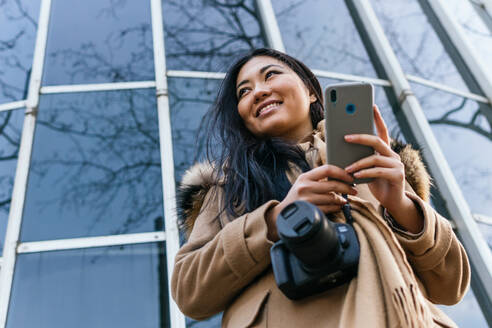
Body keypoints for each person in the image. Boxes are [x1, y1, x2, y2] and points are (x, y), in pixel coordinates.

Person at [172, 48, 470, 327]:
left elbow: (452, 285)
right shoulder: (229, 185)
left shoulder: (378, 162)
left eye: (271, 75)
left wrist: (401, 206)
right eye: (244, 91)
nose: (259, 92)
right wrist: (274, 222)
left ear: (311, 92)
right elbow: (189, 292)